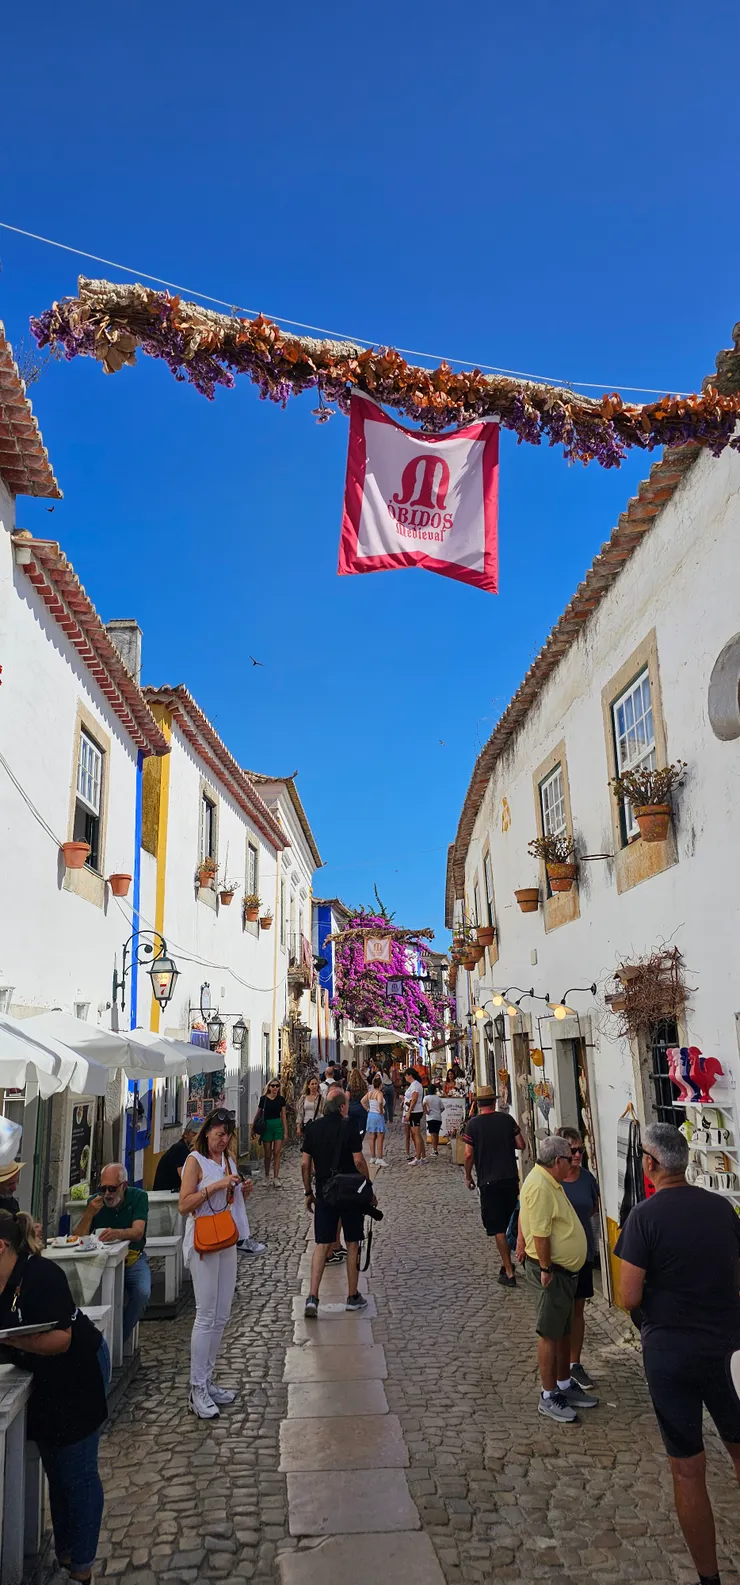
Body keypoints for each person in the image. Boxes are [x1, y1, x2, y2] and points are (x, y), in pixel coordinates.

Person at [615, 1122, 740, 1585]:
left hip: (671, 1353)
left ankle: (709, 1578)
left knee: (688, 1472)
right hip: (728, 1347)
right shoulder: (722, 1208)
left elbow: (628, 1296)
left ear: (649, 1164)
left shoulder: (643, 1217)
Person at [0, 1209, 109, 1584]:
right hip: (42, 1381)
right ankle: (65, 1554)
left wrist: (14, 1341)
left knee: (77, 1474)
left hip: (77, 1373)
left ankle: (82, 1569)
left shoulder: (41, 1275)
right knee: (56, 1472)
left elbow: (62, 1339)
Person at [179, 1108, 254, 1419]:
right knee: (205, 1315)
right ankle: (196, 1388)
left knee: (222, 1314)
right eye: (219, 1134)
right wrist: (216, 1185)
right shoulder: (194, 1162)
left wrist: (240, 1190)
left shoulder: (228, 1160)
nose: (223, 1139)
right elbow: (184, 1204)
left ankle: (207, 1380)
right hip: (203, 1239)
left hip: (226, 1237)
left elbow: (229, 1199)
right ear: (207, 1132)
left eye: (227, 1135)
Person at [518, 1135, 597, 1423]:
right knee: (550, 1334)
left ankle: (564, 1384)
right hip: (552, 1273)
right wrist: (547, 1269)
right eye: (570, 1155)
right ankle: (549, 1394)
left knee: (563, 1331)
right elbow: (540, 1234)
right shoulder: (541, 1185)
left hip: (565, 1272)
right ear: (557, 1160)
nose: (575, 1160)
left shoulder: (551, 1181)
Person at [301, 1092, 372, 1316]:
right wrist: (368, 1186)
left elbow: (305, 1164)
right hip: (349, 1192)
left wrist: (308, 1192)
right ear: (342, 1107)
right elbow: (358, 1160)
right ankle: (352, 1296)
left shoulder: (313, 1128)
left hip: (325, 1191)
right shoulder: (350, 1126)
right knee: (352, 1242)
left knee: (322, 1243)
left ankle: (313, 1297)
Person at [76, 1164, 151, 1341]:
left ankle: (118, 1339)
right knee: (86, 1295)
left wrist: (117, 1233)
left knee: (142, 1292)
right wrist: (89, 1214)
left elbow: (138, 1232)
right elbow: (78, 1238)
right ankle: (94, 1340)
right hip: (101, 1262)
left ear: (124, 1186)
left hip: (132, 1258)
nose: (107, 1194)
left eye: (112, 1188)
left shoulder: (138, 1197)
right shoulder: (95, 1202)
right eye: (103, 1189)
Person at [463, 1085, 525, 1281]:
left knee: (499, 1227)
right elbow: (521, 1144)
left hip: (488, 1181)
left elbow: (468, 1154)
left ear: (478, 1104)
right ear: (494, 1101)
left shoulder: (473, 1125)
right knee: (513, 1221)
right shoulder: (507, 1119)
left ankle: (508, 1270)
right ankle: (522, 1261)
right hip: (510, 1178)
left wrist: (468, 1176)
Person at [561, 1126, 600, 1388]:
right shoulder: (551, 1181)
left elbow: (593, 1207)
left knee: (577, 1311)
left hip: (583, 1253)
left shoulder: (587, 1179)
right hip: (559, 1257)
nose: (577, 1155)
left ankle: (574, 1363)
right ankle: (559, 1365)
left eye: (580, 1150)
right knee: (560, 1313)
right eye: (572, 1151)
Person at [153, 1118, 201, 1190]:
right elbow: (185, 1178)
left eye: (199, 1135)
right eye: (194, 1134)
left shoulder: (187, 1148)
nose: (196, 1138)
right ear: (186, 1134)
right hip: (166, 1193)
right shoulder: (181, 1148)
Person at [258, 1080, 287, 1186]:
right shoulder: (263, 1099)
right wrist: (253, 1127)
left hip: (278, 1126)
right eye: (273, 1085)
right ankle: (266, 1176)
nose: (275, 1088)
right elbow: (259, 1113)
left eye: (277, 1086)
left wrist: (285, 1131)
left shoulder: (281, 1099)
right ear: (269, 1087)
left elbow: (283, 1116)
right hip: (267, 1126)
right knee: (267, 1154)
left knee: (277, 1152)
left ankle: (276, 1177)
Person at [362, 1073, 387, 1166]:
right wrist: (381, 1110)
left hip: (371, 1115)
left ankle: (373, 1157)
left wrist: (368, 1109)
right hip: (377, 1116)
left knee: (372, 1136)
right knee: (380, 1136)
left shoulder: (370, 1093)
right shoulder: (379, 1093)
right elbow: (380, 1101)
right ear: (380, 1085)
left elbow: (362, 1101)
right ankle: (380, 1158)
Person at [403, 1068, 426, 1165]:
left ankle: (418, 1157)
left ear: (409, 1075)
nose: (405, 1077)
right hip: (415, 1110)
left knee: (416, 1134)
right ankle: (422, 1155)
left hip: (415, 1111)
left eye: (405, 1075)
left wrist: (409, 1112)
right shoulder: (414, 1085)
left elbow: (414, 1099)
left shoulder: (415, 1085)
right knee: (417, 1134)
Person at [424, 1084, 445, 1157]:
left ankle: (434, 1150)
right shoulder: (438, 1098)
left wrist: (426, 1112)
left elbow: (423, 1104)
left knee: (433, 1134)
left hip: (431, 1117)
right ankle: (436, 1149)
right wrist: (438, 1112)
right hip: (438, 1118)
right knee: (436, 1134)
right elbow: (443, 1108)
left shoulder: (426, 1097)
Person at [347, 1067, 368, 1137]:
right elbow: (366, 1097)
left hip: (351, 1109)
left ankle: (354, 1138)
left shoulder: (349, 1085)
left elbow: (347, 1098)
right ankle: (360, 1138)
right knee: (362, 1127)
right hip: (362, 1109)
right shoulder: (364, 1084)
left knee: (352, 1127)